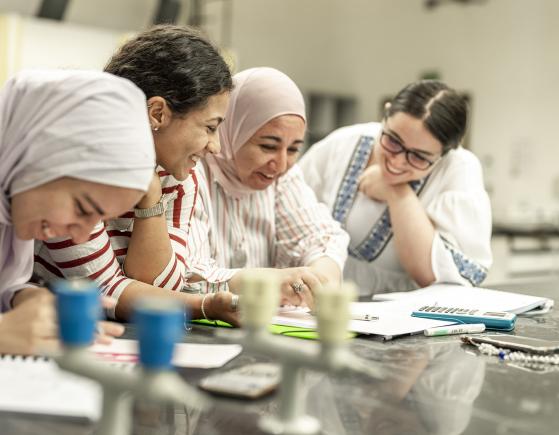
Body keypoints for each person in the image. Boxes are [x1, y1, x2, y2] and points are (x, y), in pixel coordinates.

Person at [33, 25, 239, 324]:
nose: (216, 146)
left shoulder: (178, 175)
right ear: (157, 113)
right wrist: (206, 306)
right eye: (209, 127)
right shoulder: (70, 167)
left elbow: (162, 285)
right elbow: (104, 291)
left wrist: (150, 201)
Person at [0, 69, 156, 355]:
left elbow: (4, 286)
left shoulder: (11, 197)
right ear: (41, 157)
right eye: (83, 209)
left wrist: (30, 302)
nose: (81, 234)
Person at [299, 80, 492, 296]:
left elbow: (434, 275)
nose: (398, 162)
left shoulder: (458, 168)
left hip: (404, 316)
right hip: (323, 302)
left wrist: (397, 193)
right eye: (393, 141)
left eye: (418, 156)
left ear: (443, 154)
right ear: (386, 114)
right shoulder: (343, 143)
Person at [187, 67, 350, 310]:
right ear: (232, 129)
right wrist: (270, 282)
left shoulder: (281, 177)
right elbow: (187, 275)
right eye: (267, 146)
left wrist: (320, 278)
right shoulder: (191, 169)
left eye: (294, 149)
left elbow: (321, 238)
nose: (282, 163)